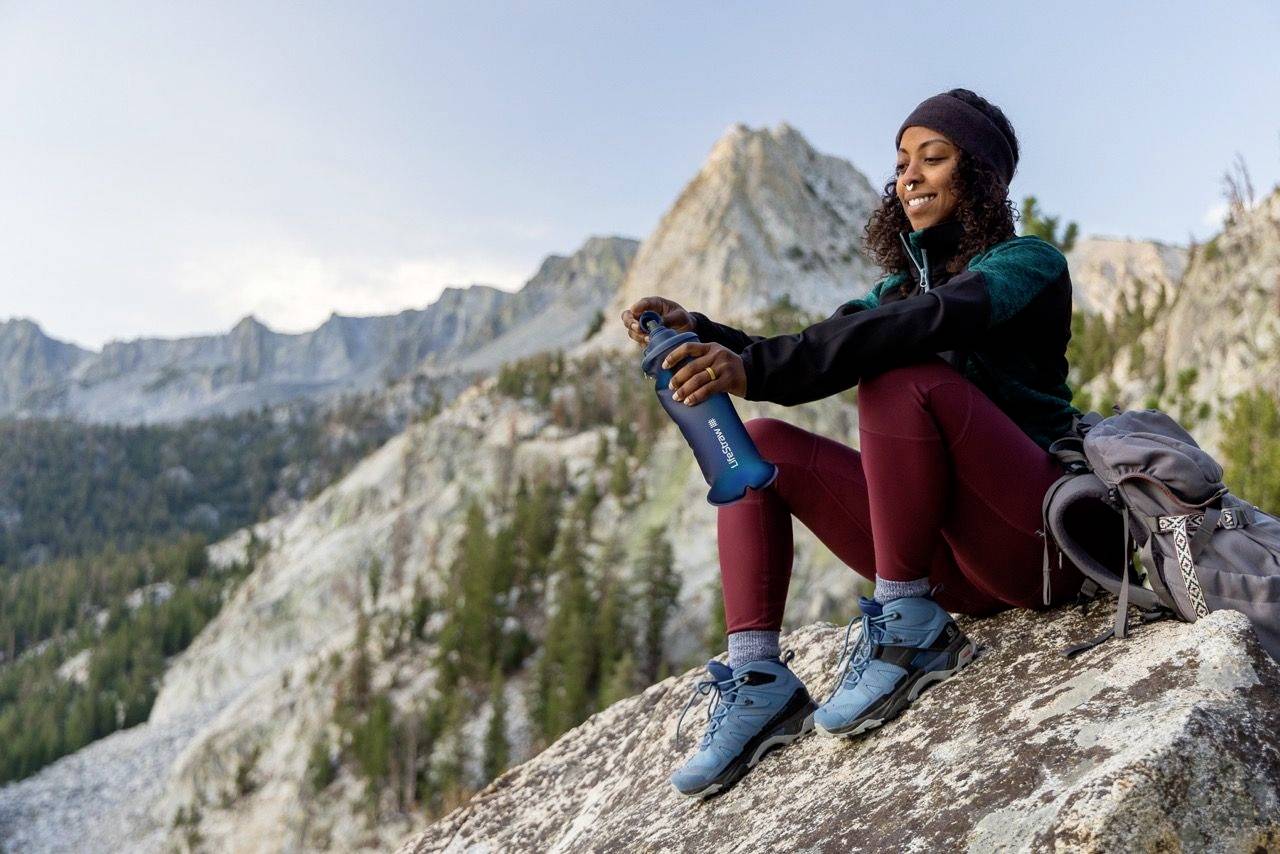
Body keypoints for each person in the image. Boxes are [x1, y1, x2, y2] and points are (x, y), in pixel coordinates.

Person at [620, 88, 1087, 799]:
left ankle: (905, 628)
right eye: (902, 163)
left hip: (1033, 547)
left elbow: (932, 321)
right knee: (766, 445)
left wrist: (754, 367)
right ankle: (758, 681)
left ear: (981, 175)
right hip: (953, 571)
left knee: (899, 374)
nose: (910, 177)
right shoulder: (895, 293)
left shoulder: (1028, 264)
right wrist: (708, 335)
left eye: (934, 158)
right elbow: (816, 348)